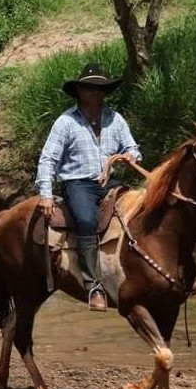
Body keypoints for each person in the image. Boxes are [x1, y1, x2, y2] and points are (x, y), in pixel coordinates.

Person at [36, 63, 141, 312]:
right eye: (89, 88)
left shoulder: (115, 119)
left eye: (99, 89)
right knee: (85, 220)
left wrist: (130, 156)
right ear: (80, 91)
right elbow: (48, 158)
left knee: (139, 208)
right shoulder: (66, 122)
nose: (95, 93)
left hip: (109, 183)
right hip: (77, 184)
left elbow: (132, 147)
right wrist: (46, 194)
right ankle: (93, 283)